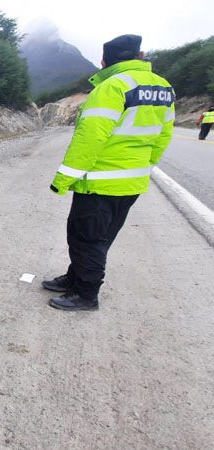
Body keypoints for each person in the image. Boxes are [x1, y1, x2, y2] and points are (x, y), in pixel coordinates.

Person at [44, 34, 175, 311]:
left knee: (86, 238)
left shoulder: (112, 86)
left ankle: (86, 295)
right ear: (140, 56)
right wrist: (144, 166)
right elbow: (164, 135)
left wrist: (64, 178)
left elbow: (90, 138)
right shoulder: (163, 88)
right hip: (131, 183)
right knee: (100, 237)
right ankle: (75, 278)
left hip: (100, 182)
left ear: (104, 61)